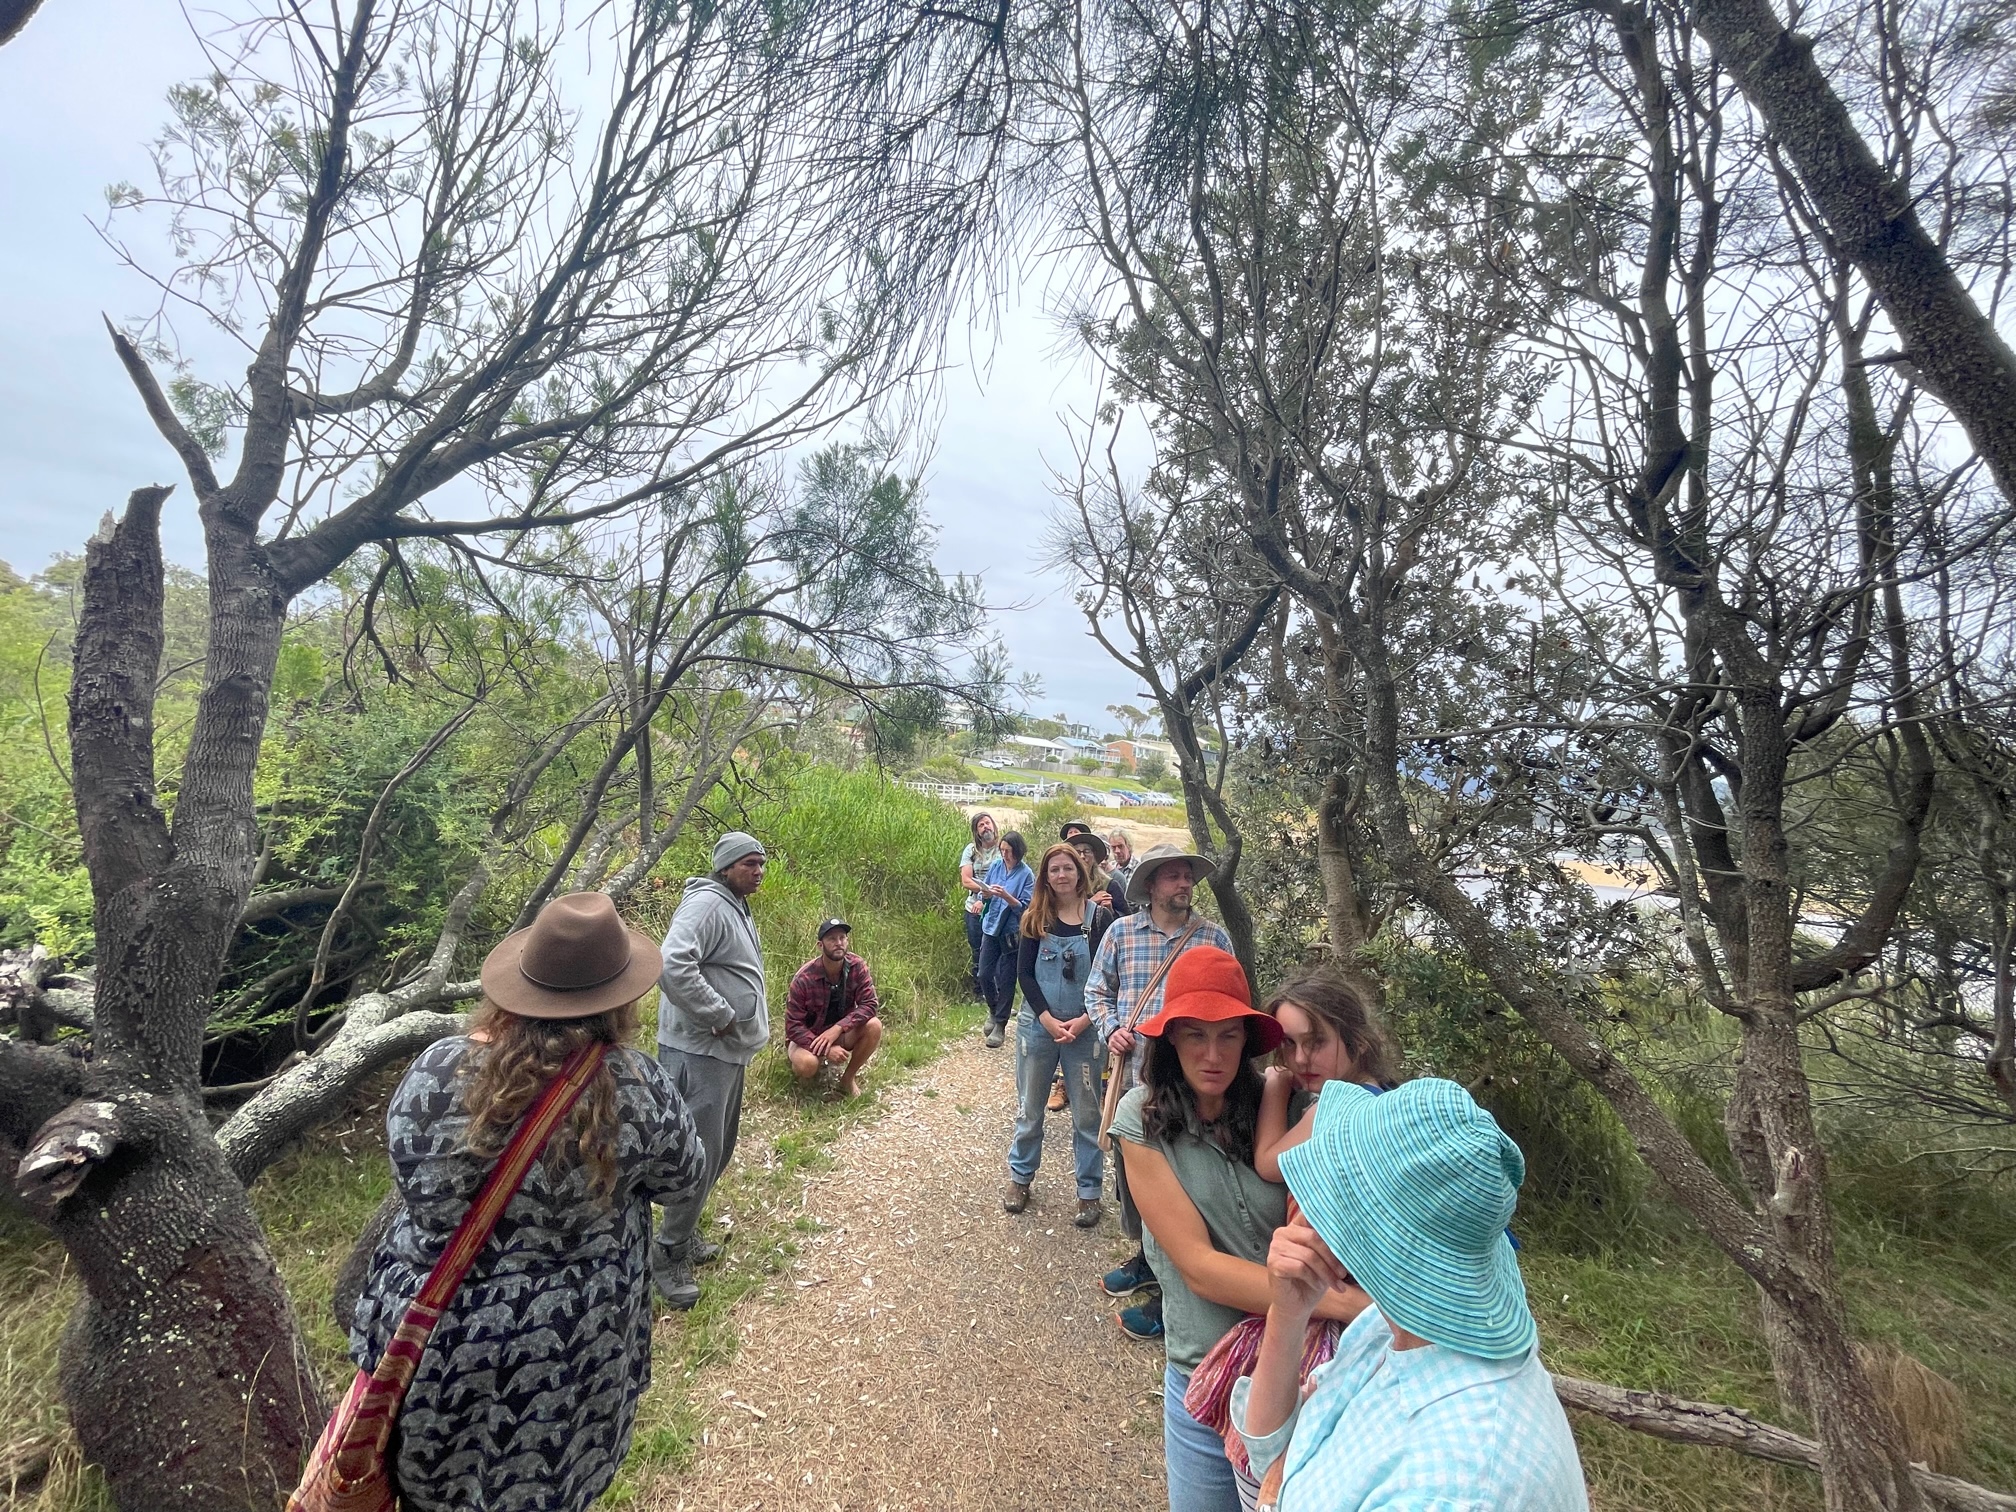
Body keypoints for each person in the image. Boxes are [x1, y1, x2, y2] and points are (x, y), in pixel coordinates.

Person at [349, 892, 706, 1512]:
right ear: (618, 999)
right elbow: (684, 1178)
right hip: (565, 1353)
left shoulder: (436, 1069)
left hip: (429, 1342)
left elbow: (411, 1176)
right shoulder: (636, 1085)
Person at [1230, 1080, 1588, 1511]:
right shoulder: (1391, 1330)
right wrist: (1289, 1313)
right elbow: (1274, 1455)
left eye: (1337, 1189)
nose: (1309, 1210)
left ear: (1381, 1237)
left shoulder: (1455, 1488)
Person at [1110, 947, 1368, 1512]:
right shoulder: (1142, 1119)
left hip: (1305, 1374)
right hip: (1204, 1371)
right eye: (1196, 1036)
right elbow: (1200, 1269)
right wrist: (1345, 1305)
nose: (1212, 1054)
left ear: (1248, 1042)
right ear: (1170, 1039)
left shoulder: (1283, 1110)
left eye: (1228, 1036)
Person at [1087, 844, 1234, 1339]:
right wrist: (1111, 1029)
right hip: (1134, 1083)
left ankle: (1175, 1300)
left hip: (1196, 1090)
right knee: (1135, 1179)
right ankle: (1149, 1259)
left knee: (1189, 1187)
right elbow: (1096, 991)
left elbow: (1234, 1009)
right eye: (1172, 877)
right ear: (1150, 885)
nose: (1183, 885)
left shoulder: (1213, 939)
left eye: (1186, 877)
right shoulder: (1122, 933)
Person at [650, 831, 769, 1309]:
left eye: (761, 863)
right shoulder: (707, 905)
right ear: (725, 867)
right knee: (694, 1154)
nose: (758, 871)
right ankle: (667, 1253)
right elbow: (671, 964)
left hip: (725, 1052)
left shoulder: (733, 904)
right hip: (700, 1051)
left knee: (717, 1149)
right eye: (748, 864)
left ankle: (685, 1230)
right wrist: (719, 1014)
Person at [1005, 842, 1116, 1226]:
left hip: (1086, 1031)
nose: (1062, 875)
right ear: (1045, 877)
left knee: (1088, 1113)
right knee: (1030, 1107)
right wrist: (1049, 1020)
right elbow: (1024, 974)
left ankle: (1089, 1193)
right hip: (1039, 1027)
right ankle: (1020, 1178)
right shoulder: (1035, 918)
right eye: (1054, 869)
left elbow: (1108, 977)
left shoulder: (1100, 919)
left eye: (1068, 867)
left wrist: (1086, 1019)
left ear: (1080, 873)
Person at [1253, 970, 1399, 1182]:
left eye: (1316, 1041)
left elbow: (1268, 1164)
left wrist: (1276, 1085)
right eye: (1288, 1043)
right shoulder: (1382, 1094)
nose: (1300, 1058)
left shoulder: (1338, 1106)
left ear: (1358, 1042)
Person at [784, 918, 885, 1098]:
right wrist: (826, 1050)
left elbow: (870, 1004)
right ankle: (805, 1083)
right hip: (807, 1038)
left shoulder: (857, 966)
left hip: (840, 1033)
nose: (838, 943)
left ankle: (847, 1080)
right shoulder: (804, 978)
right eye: (831, 939)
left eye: (842, 938)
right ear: (820, 945)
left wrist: (838, 1029)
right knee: (807, 1065)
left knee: (874, 1025)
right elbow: (793, 1026)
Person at [977, 830, 1034, 1049]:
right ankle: (993, 1010)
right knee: (984, 973)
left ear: (1018, 851)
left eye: (1008, 851)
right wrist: (986, 894)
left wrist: (1006, 896)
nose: (1004, 855)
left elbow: (1026, 908)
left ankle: (1000, 1024)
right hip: (991, 927)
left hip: (1011, 931)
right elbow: (985, 891)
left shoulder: (1026, 874)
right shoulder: (996, 867)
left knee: (1008, 978)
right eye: (1002, 851)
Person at [959, 812, 1003, 997]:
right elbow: (966, 880)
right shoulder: (971, 850)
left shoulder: (1003, 848)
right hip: (974, 908)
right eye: (981, 825)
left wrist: (987, 896)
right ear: (976, 832)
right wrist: (981, 893)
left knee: (999, 951)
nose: (986, 827)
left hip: (999, 906)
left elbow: (1007, 876)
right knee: (977, 950)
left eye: (988, 823)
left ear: (994, 825)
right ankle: (979, 993)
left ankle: (1000, 993)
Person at [1061, 819, 1131, 917]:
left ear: (1094, 855)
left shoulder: (1109, 885)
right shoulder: (1063, 883)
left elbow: (1126, 919)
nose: (1082, 856)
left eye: (1086, 851)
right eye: (1077, 852)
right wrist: (1090, 904)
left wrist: (1110, 912)